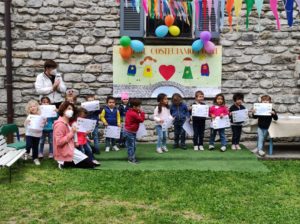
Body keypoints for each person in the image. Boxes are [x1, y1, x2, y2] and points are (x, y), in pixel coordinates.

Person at [53, 101, 96, 169]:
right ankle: (63, 161)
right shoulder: (60, 124)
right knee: (89, 165)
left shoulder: (67, 122)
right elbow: (59, 142)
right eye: (69, 109)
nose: (71, 111)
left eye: (72, 109)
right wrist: (72, 132)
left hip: (71, 149)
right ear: (63, 110)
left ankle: (67, 161)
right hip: (65, 151)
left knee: (91, 164)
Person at [24, 100, 46, 165]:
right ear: (29, 109)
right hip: (29, 134)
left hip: (37, 134)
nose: (32, 108)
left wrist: (44, 122)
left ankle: (35, 158)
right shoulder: (29, 116)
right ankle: (26, 152)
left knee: (35, 147)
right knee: (29, 145)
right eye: (30, 107)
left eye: (34, 106)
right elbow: (25, 125)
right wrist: (26, 122)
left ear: (37, 107)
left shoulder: (41, 116)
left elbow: (43, 124)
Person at [124, 98, 145, 164]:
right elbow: (141, 120)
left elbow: (136, 113)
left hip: (130, 131)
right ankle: (131, 159)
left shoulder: (130, 111)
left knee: (132, 145)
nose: (140, 108)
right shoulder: (133, 114)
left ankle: (132, 157)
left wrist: (138, 111)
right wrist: (142, 112)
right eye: (139, 106)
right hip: (130, 132)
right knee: (131, 146)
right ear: (134, 106)